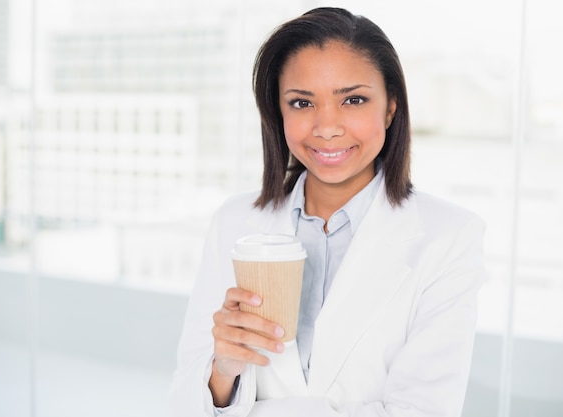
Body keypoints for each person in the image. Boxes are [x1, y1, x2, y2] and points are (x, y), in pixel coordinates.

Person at [169, 7, 486, 417]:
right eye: (302, 103)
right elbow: (182, 403)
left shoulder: (449, 236)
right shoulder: (235, 221)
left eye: (353, 100)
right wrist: (223, 371)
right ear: (277, 111)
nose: (326, 127)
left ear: (390, 107)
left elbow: (423, 411)